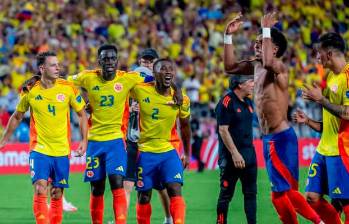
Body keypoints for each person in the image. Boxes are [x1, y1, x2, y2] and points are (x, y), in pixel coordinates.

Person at [223, 12, 323, 223]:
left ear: (274, 48)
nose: (256, 45)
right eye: (256, 42)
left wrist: (266, 30)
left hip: (281, 138)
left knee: (279, 193)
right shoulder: (255, 66)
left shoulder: (278, 67)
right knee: (285, 194)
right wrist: (227, 37)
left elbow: (268, 62)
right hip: (271, 139)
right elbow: (229, 67)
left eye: (262, 42)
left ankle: (320, 222)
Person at [0, 51, 88, 224]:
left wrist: (84, 140)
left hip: (62, 150)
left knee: (57, 193)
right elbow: (17, 116)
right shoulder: (30, 91)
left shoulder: (68, 88)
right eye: (53, 65)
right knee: (40, 188)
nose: (58, 68)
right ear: (42, 68)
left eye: (58, 64)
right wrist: (4, 139)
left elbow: (82, 114)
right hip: (39, 149)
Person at [293, 32, 349, 224]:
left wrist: (321, 99)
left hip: (342, 151)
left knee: (344, 202)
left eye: (319, 53)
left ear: (330, 53)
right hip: (323, 149)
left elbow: (348, 114)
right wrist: (308, 121)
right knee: (311, 198)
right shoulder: (330, 77)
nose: (317, 57)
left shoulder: (348, 76)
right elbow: (331, 125)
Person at [131, 58, 191, 224]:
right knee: (144, 196)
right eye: (163, 69)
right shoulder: (140, 90)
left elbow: (185, 127)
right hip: (145, 151)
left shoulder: (182, 99)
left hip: (168, 151)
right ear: (155, 74)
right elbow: (118, 89)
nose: (168, 72)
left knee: (175, 188)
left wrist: (187, 153)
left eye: (171, 69)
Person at [124, 48, 174, 224]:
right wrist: (128, 108)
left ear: (157, 64)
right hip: (133, 138)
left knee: (160, 187)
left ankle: (169, 218)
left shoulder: (163, 85)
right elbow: (119, 98)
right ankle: (121, 220)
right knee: (129, 184)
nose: (147, 63)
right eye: (144, 61)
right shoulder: (132, 80)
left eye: (150, 61)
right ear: (139, 62)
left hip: (154, 141)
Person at [215, 75, 256, 224]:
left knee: (251, 194)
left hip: (250, 156)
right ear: (239, 85)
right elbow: (223, 130)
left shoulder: (249, 102)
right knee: (226, 196)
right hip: (231, 158)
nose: (253, 83)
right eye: (250, 81)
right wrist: (235, 154)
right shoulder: (226, 103)